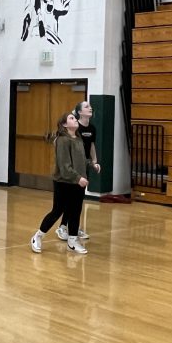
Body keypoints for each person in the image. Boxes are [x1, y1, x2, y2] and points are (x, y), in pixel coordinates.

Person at [31, 112, 89, 255]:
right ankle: (38, 236)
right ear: (64, 124)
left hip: (78, 182)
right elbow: (64, 166)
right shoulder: (62, 140)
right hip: (64, 181)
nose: (75, 119)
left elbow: (80, 160)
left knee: (75, 211)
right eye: (71, 118)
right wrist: (78, 178)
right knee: (58, 211)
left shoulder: (78, 139)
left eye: (75, 118)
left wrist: (91, 165)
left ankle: (72, 242)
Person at [57, 99, 100, 242]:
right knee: (70, 200)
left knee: (78, 200)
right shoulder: (75, 128)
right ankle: (63, 226)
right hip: (72, 169)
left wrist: (94, 162)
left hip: (84, 165)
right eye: (87, 106)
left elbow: (92, 146)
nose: (90, 108)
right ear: (79, 112)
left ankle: (73, 228)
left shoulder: (92, 129)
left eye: (90, 106)